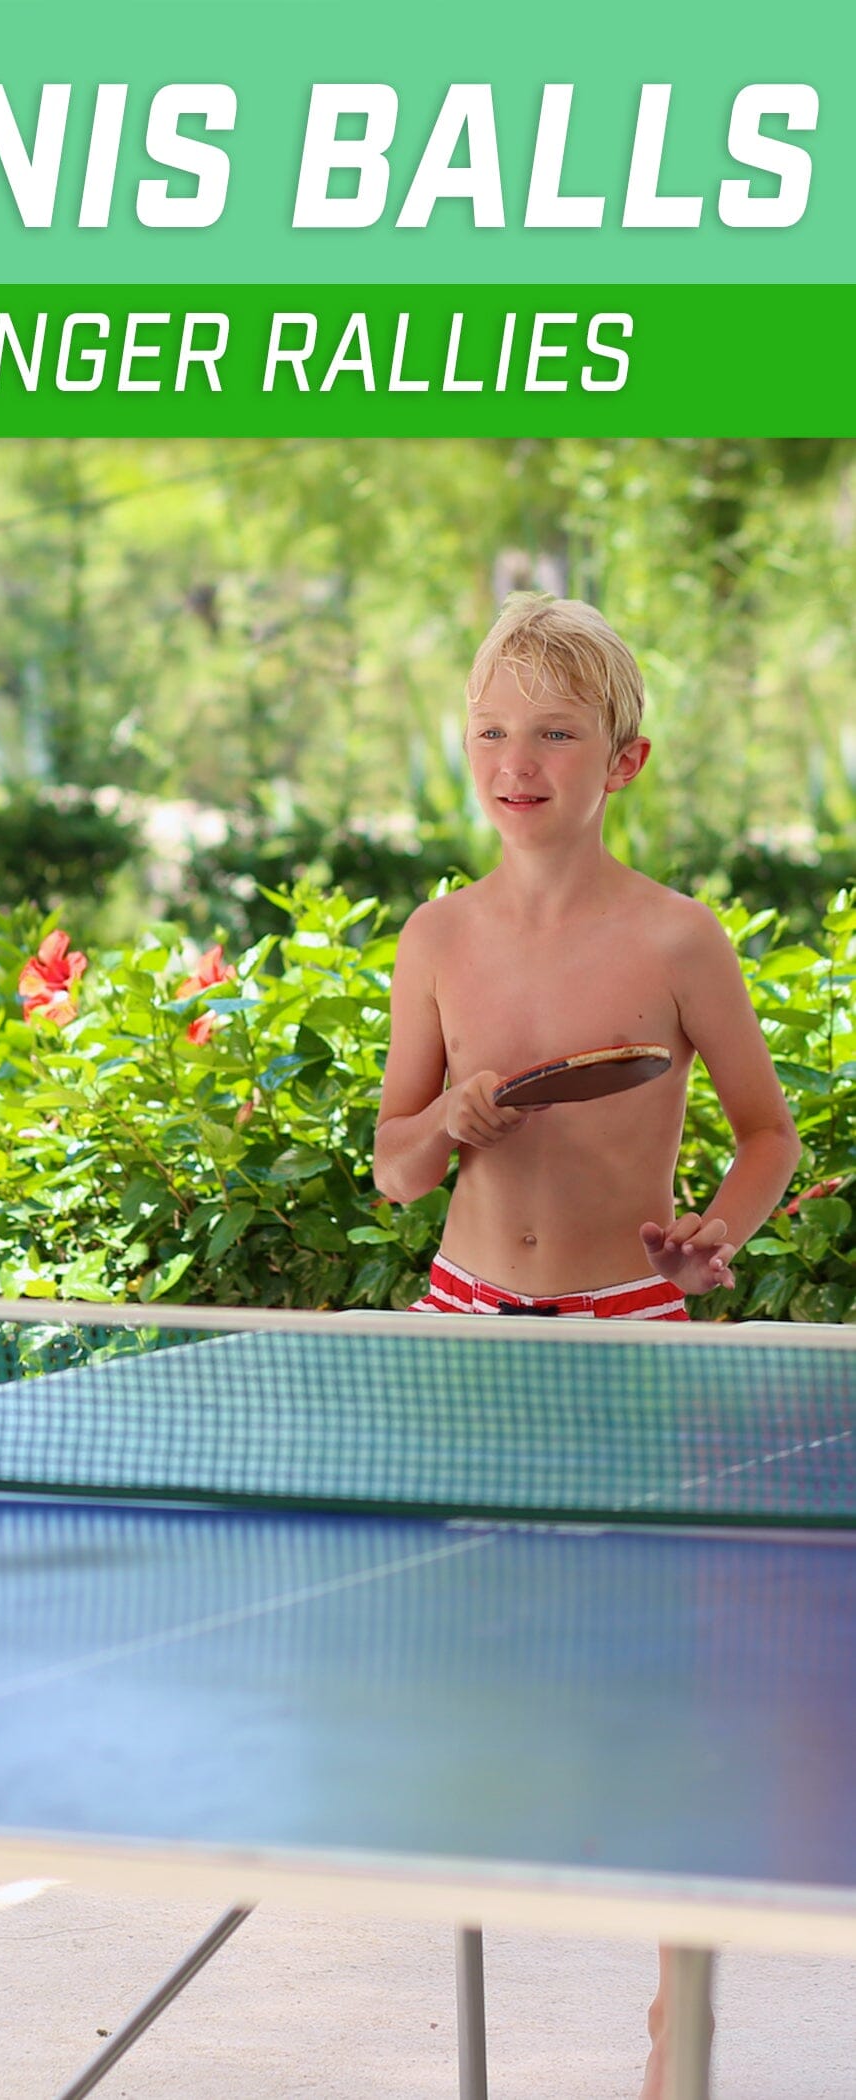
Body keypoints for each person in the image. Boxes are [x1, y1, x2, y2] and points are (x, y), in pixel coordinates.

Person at [372, 592, 801, 2097]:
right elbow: (395, 1171)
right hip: (464, 1338)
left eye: (555, 732)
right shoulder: (438, 938)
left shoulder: (679, 938)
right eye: (494, 730)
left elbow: (767, 1136)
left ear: (621, 760)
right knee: (456, 1676)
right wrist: (450, 1119)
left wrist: (720, 1235)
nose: (518, 758)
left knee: (658, 1687)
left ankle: (676, 2008)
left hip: (632, 1334)